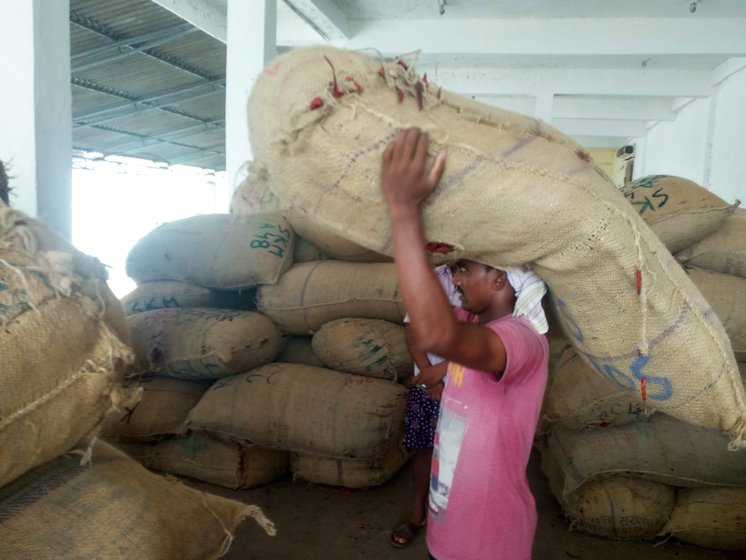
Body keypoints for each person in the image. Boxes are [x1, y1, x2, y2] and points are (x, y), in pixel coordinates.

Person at [380, 127, 550, 560]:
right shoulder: (481, 330)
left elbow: (440, 335)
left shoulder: (519, 340)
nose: (455, 279)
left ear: (498, 279)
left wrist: (403, 212)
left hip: (488, 540)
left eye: (465, 270)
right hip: (449, 526)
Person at [391, 263, 460, 548]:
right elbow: (413, 333)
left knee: (464, 456)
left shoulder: (490, 274)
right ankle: (418, 513)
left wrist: (444, 369)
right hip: (427, 378)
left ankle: (457, 519)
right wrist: (430, 377)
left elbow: (492, 338)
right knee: (423, 450)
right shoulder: (431, 277)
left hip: (466, 380)